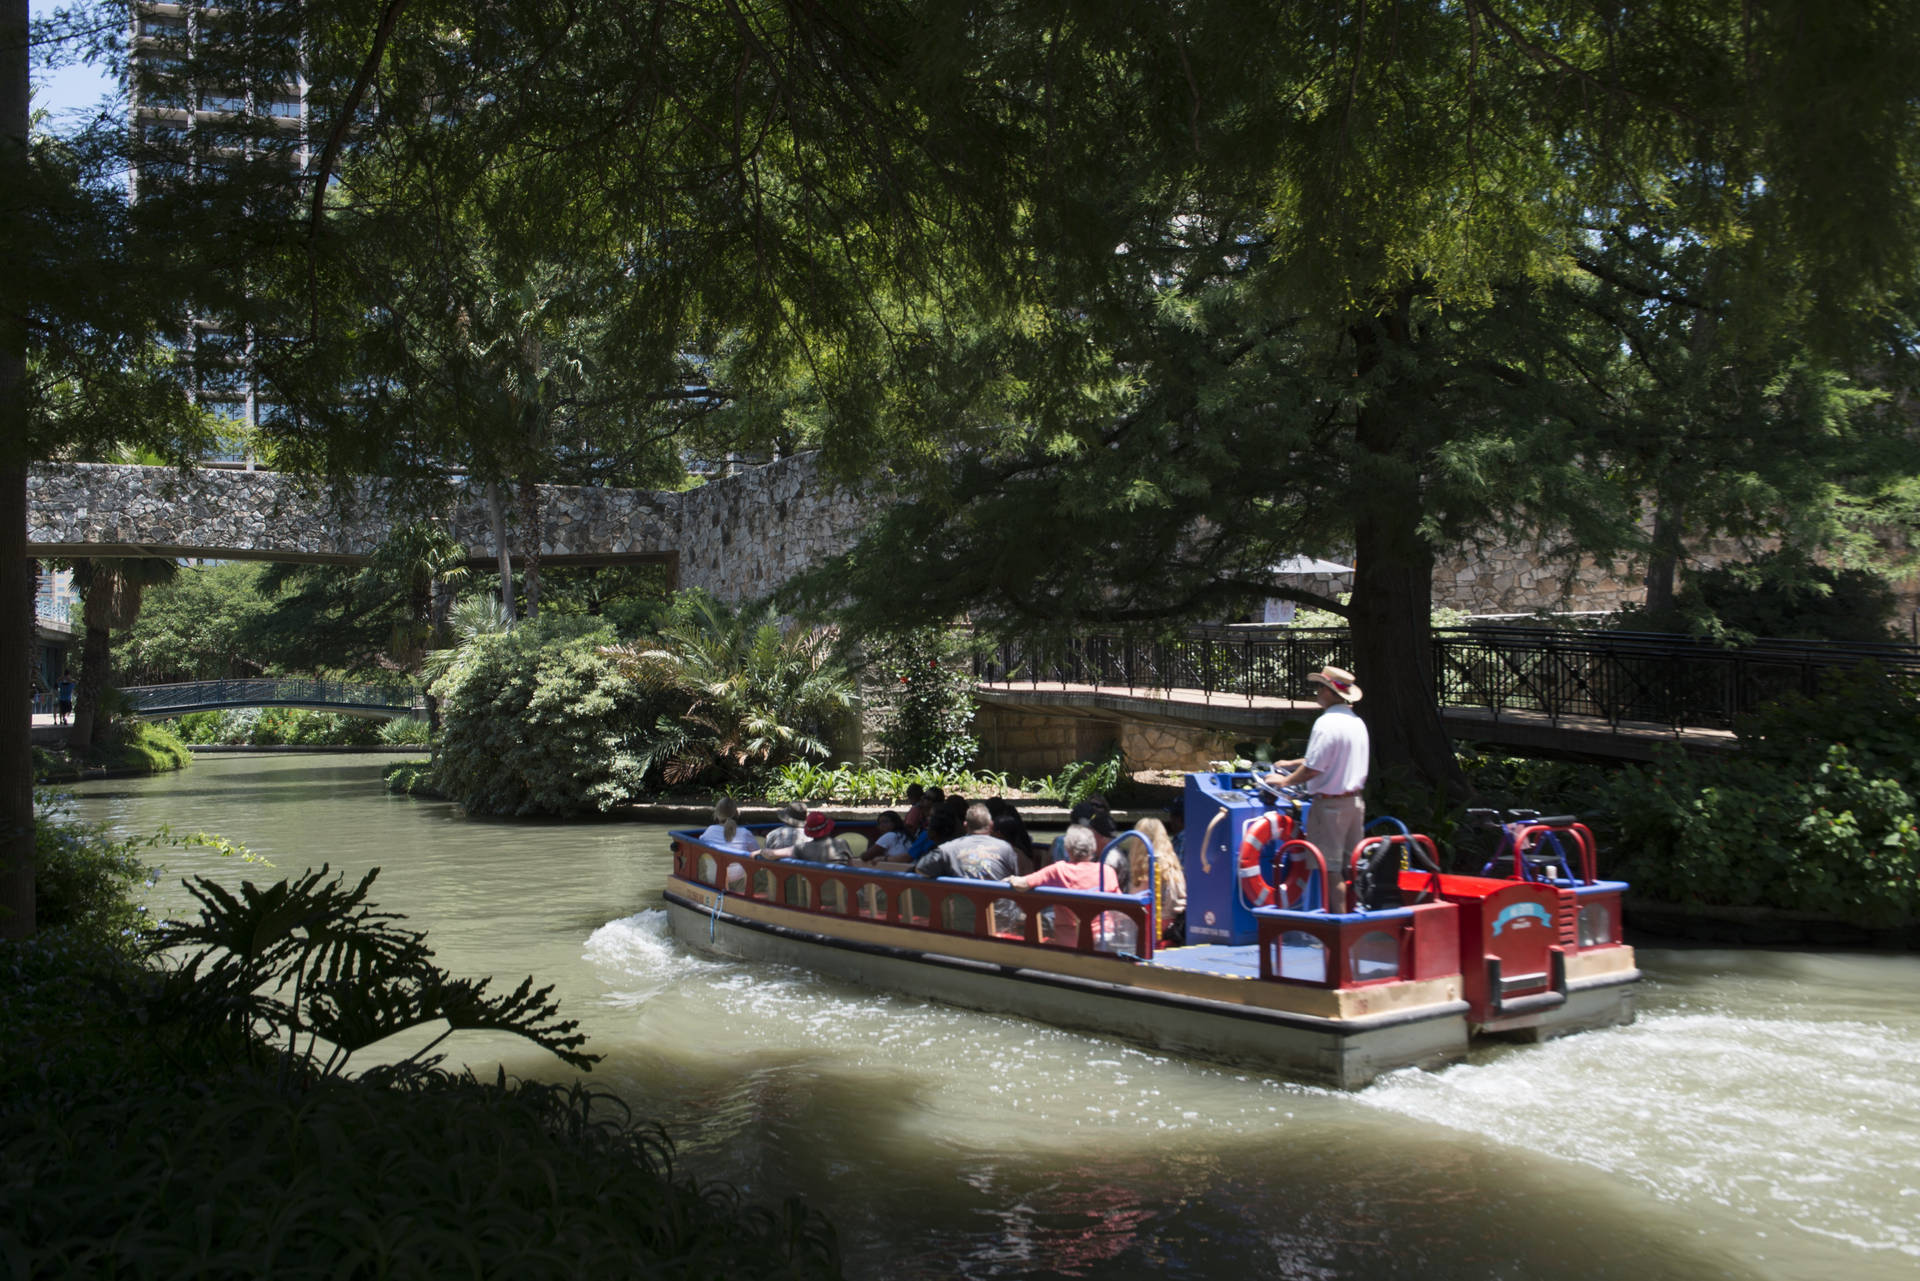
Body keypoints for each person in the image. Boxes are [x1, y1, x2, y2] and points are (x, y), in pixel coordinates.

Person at [1263, 664, 1369, 870]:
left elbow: (1313, 769)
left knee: (1329, 870)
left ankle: (1333, 904)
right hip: (1355, 803)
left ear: (1329, 691)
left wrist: (1283, 781)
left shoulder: (1326, 723)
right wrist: (1291, 764)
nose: (1318, 693)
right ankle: (1354, 903)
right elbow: (1332, 758)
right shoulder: (1356, 722)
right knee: (1352, 868)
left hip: (1331, 808)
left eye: (1320, 688)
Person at [1006, 824, 1118, 947]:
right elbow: (1120, 906)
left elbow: (1022, 884)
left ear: (1067, 848)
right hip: (1103, 940)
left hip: (1070, 941)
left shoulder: (1059, 870)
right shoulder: (1107, 871)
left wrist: (1010, 879)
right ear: (1093, 848)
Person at [913, 803, 1020, 881]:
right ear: (991, 825)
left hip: (963, 910)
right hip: (1001, 911)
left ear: (965, 826)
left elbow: (920, 869)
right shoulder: (1006, 848)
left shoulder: (946, 849)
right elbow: (1015, 875)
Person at [1129, 817, 1187, 945]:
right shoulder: (1172, 865)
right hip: (1174, 928)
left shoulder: (1148, 869)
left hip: (1153, 931)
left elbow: (1137, 908)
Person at [695, 797, 761, 853]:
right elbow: (758, 854)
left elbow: (700, 846)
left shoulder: (709, 831)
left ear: (717, 815)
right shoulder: (745, 833)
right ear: (736, 814)